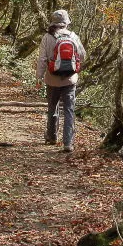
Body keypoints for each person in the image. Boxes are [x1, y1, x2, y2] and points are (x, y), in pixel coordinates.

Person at [36, 9, 86, 153]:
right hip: (70, 80)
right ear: (66, 23)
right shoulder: (73, 36)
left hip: (52, 79)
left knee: (52, 107)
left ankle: (52, 137)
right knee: (69, 110)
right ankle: (68, 143)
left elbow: (42, 59)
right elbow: (82, 56)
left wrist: (39, 77)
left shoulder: (47, 37)